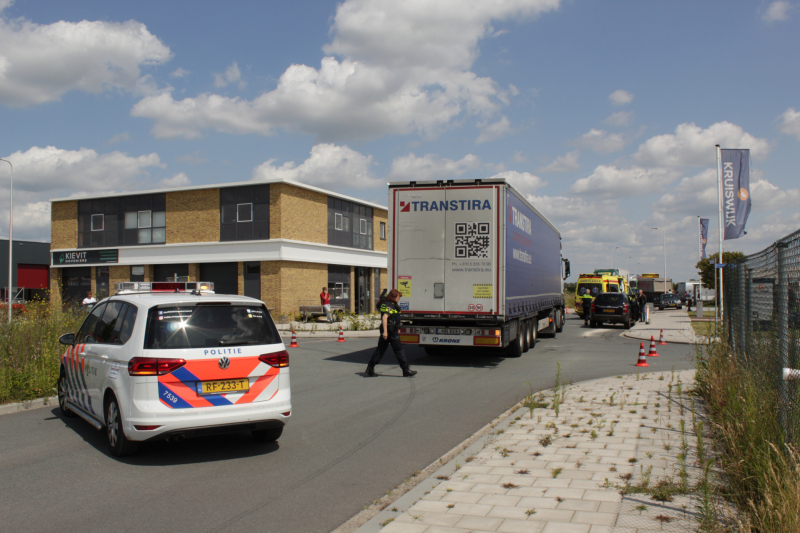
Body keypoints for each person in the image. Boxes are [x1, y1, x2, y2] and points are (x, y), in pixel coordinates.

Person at [365, 289, 417, 377]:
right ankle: (406, 370)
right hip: (390, 331)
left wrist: (397, 327)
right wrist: (386, 332)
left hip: (389, 330)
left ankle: (370, 369)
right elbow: (385, 317)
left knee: (380, 350)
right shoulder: (391, 306)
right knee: (399, 350)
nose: (399, 299)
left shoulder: (386, 304)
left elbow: (393, 318)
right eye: (398, 297)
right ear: (393, 297)